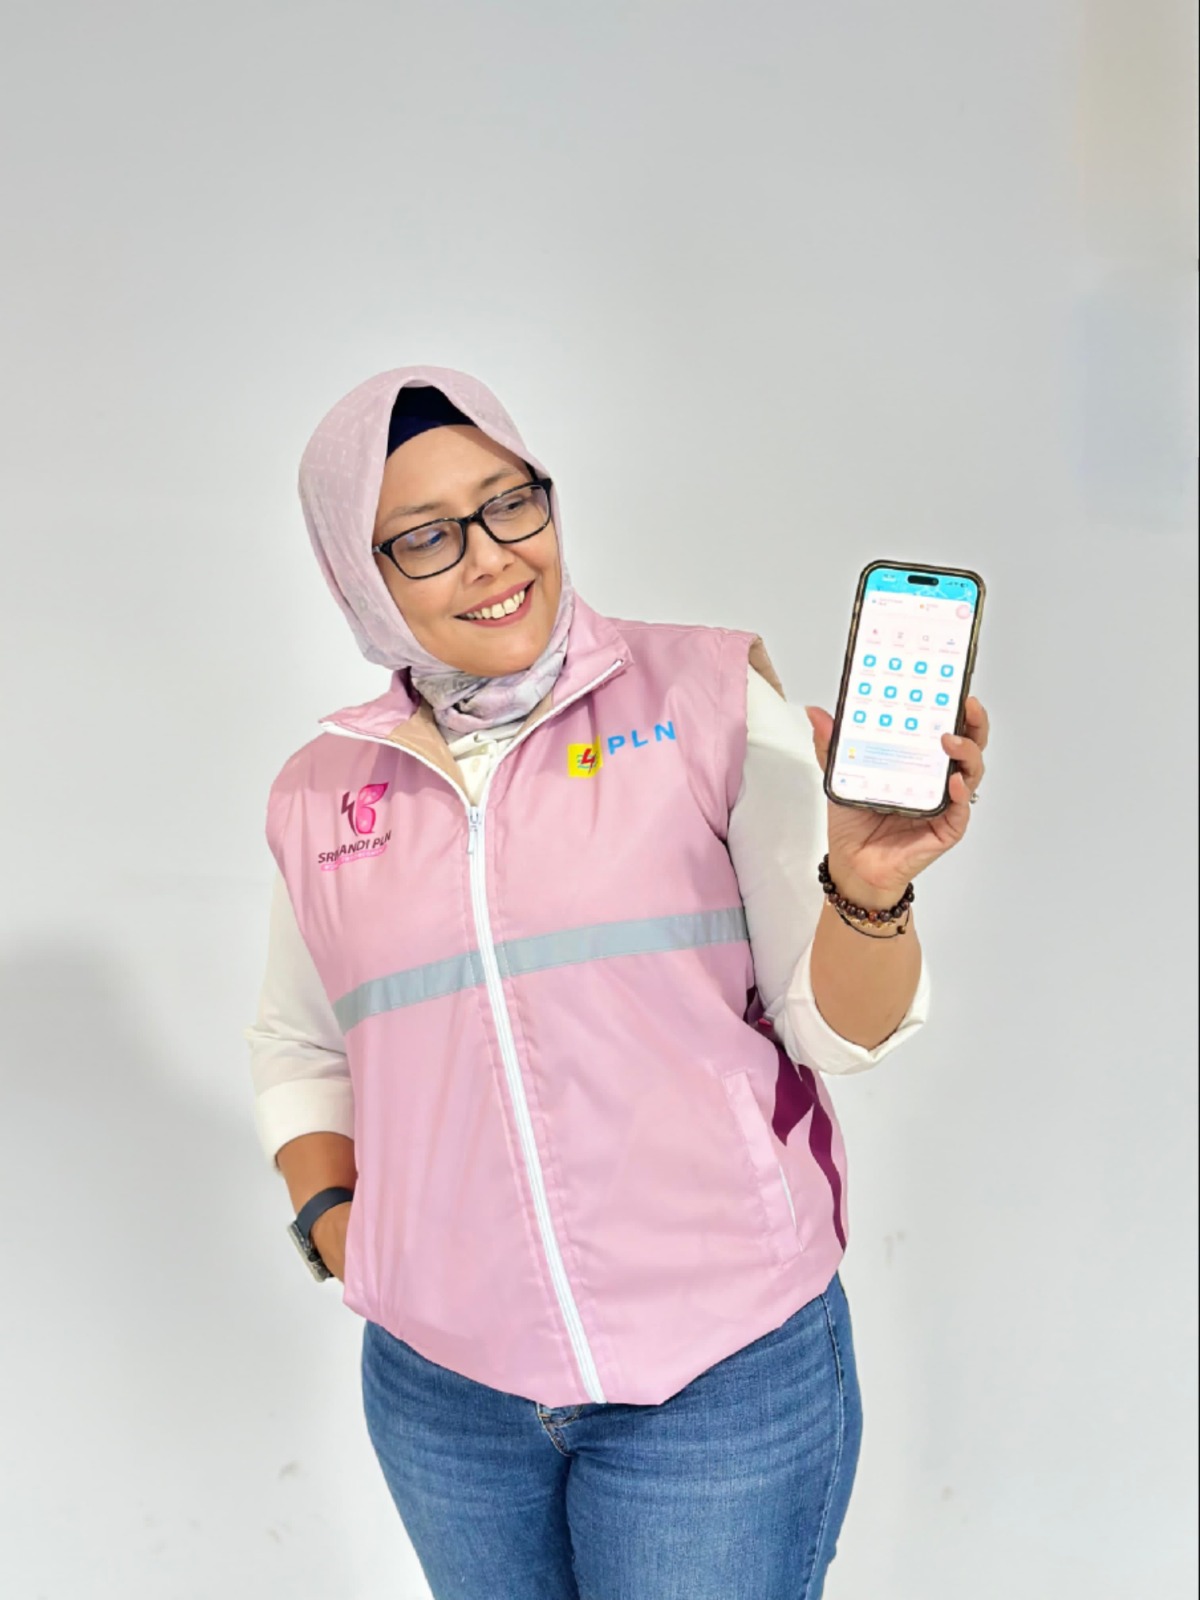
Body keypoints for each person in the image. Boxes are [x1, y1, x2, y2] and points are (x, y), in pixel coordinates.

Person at [247, 365, 989, 1599]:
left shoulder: (704, 695)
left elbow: (833, 1028)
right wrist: (338, 1226)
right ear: (356, 572)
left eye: (510, 502)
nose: (492, 557)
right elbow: (302, 1041)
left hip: (719, 1378)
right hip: (445, 1396)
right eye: (427, 536)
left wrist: (866, 886)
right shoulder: (321, 791)